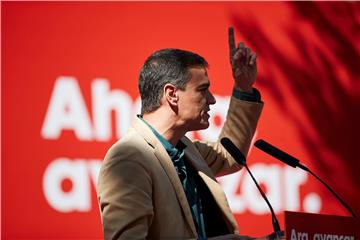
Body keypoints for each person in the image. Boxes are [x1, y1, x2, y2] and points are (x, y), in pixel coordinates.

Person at [97, 27, 264, 240]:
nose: (212, 100)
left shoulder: (186, 148)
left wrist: (243, 88)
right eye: (203, 90)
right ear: (172, 94)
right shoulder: (128, 159)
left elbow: (230, 155)